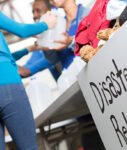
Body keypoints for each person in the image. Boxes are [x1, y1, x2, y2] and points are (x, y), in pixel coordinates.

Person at [0, 11, 56, 149]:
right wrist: (46, 24)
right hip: (7, 85)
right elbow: (21, 30)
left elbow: (5, 56)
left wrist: (28, 49)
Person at [14, 0, 61, 80]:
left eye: (38, 11)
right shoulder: (39, 49)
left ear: (49, 11)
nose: (34, 15)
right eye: (33, 12)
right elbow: (24, 71)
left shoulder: (63, 30)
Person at [48, 0, 89, 69]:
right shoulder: (60, 25)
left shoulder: (87, 14)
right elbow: (54, 59)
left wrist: (71, 41)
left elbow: (94, 45)